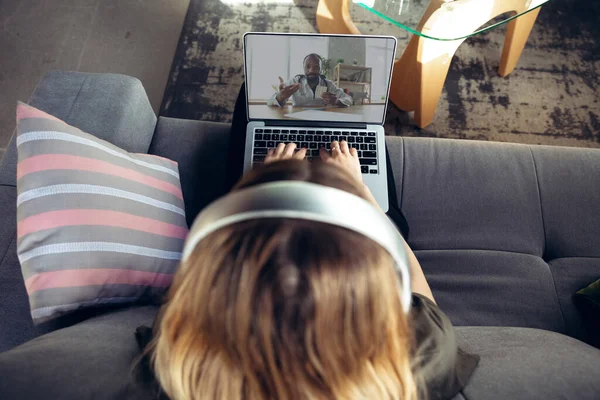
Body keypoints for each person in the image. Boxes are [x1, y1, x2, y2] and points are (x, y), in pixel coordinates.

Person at [135, 146, 479, 400]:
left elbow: (190, 287)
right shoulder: (420, 360)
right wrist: (361, 193)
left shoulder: (180, 360)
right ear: (374, 286)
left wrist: (256, 187)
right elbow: (417, 288)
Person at [267, 53, 353, 107]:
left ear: (320, 69)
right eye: (308, 67)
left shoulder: (328, 84)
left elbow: (349, 99)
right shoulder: (295, 82)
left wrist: (337, 101)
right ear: (303, 68)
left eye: (316, 67)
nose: (311, 70)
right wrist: (280, 97)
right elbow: (270, 102)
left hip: (320, 122)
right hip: (298, 121)